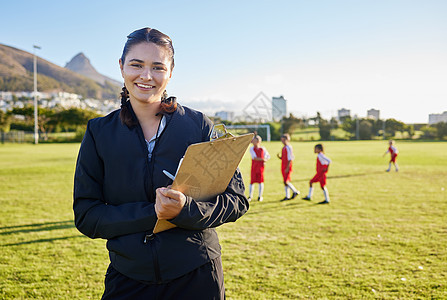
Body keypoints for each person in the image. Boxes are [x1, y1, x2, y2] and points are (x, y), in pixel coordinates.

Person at [73, 27, 249, 300]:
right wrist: (154, 212)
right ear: (121, 67)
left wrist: (185, 209)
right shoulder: (99, 132)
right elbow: (87, 215)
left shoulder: (198, 125)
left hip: (197, 275)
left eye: (157, 67)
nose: (146, 76)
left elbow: (236, 200)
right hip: (128, 278)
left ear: (170, 72)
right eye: (136, 65)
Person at [248, 135, 270, 202]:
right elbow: (254, 157)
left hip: (260, 168)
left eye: (254, 141)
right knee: (252, 181)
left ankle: (260, 196)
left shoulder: (263, 148)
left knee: (260, 181)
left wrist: (264, 159)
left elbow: (268, 156)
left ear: (258, 141)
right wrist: (263, 159)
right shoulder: (251, 149)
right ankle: (250, 196)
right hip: (254, 167)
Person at [277, 134, 299, 200]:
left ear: (288, 140)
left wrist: (287, 167)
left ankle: (295, 191)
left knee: (286, 181)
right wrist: (280, 157)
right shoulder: (284, 147)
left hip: (287, 166)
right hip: (283, 165)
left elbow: (290, 158)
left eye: (284, 140)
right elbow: (285, 157)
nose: (282, 141)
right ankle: (287, 196)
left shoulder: (288, 147)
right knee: (285, 181)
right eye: (282, 140)